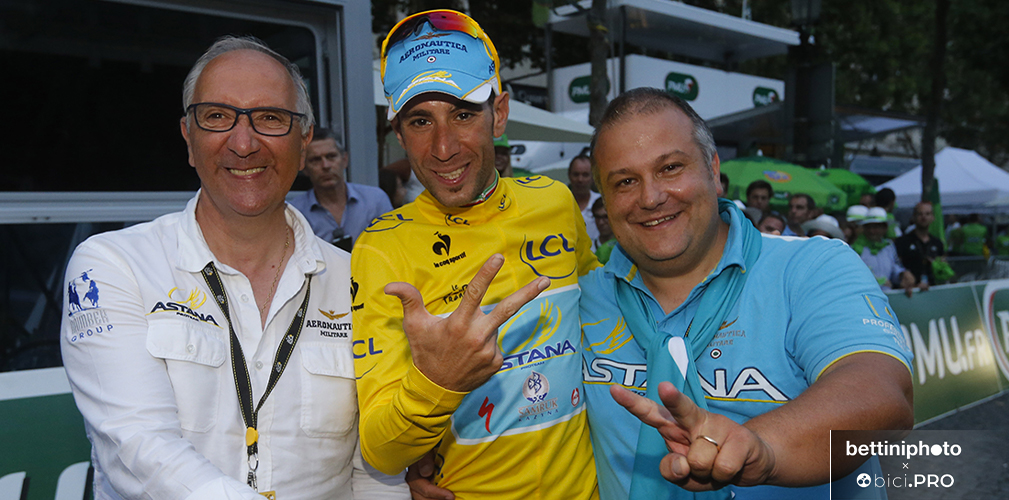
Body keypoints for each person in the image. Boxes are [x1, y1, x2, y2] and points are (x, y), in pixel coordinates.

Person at [60, 36, 406, 499]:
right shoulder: (111, 266)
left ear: (304, 142)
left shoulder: (355, 282)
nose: (243, 144)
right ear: (188, 136)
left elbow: (370, 476)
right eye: (218, 117)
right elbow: (137, 447)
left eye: (270, 118)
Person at [579, 88, 913, 500]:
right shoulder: (581, 297)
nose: (651, 197)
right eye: (625, 181)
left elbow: (882, 392)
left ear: (714, 170)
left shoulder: (810, 266)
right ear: (605, 199)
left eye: (670, 168)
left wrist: (760, 447)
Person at [353, 10, 599, 500]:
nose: (443, 147)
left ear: (499, 114)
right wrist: (437, 381)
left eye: (463, 113)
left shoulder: (553, 201)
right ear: (399, 135)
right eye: (420, 121)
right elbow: (380, 450)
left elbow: (603, 316)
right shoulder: (382, 248)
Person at [289, 127, 393, 251]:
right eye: (316, 160)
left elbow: (392, 247)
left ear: (344, 160)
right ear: (304, 167)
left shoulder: (375, 200)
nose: (325, 166)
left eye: (331, 156)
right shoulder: (295, 212)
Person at [854, 207, 916, 296]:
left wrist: (902, 275)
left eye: (876, 227)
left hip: (888, 297)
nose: (872, 231)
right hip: (866, 298)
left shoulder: (888, 246)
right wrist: (879, 282)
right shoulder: (856, 248)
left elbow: (894, 268)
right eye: (869, 227)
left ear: (885, 228)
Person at [895, 201, 945, 290]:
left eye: (927, 214)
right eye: (920, 214)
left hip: (934, 289)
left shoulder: (937, 243)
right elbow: (897, 266)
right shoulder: (902, 242)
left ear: (932, 217)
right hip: (910, 291)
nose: (924, 217)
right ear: (913, 217)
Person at [570, 154, 603, 241]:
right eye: (576, 174)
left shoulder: (603, 203)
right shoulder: (561, 203)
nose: (580, 179)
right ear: (569, 175)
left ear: (593, 177)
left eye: (585, 175)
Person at [593, 196, 617, 263]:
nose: (601, 222)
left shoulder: (625, 248)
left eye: (605, 217)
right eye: (597, 217)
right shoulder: (588, 248)